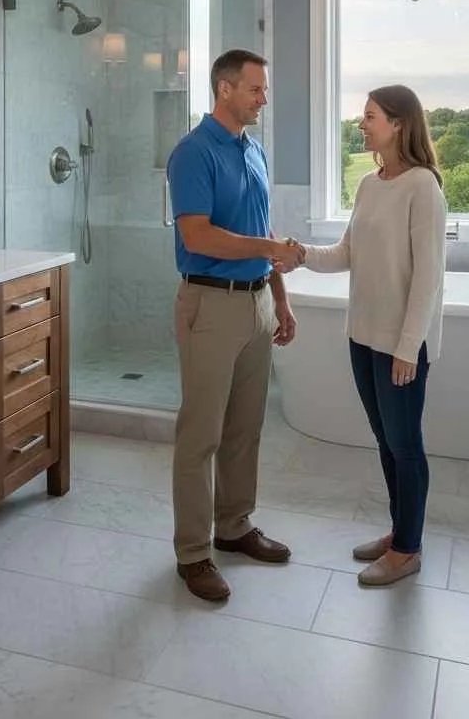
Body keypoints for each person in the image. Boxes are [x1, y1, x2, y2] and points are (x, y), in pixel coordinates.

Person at [288, 85, 446, 586]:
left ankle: (407, 549)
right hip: (362, 336)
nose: (362, 124)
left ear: (399, 123)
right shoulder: (368, 184)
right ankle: (400, 531)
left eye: (370, 116)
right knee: (384, 440)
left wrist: (407, 347)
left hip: (401, 345)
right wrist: (300, 255)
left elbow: (428, 278)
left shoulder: (423, 187)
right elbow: (345, 254)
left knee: (406, 445)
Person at [167, 48, 304, 602]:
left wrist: (281, 297)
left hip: (256, 303)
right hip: (210, 303)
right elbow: (198, 236)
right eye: (255, 89)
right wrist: (271, 249)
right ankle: (193, 553)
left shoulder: (254, 151)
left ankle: (234, 526)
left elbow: (259, 227)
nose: (263, 98)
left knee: (245, 429)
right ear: (225, 89)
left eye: (263, 89)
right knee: (201, 435)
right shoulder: (193, 153)